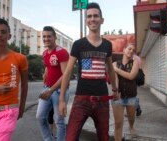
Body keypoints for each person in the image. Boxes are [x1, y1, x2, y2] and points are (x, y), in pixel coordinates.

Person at [59, 2, 118, 141]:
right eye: (89, 16)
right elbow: (67, 72)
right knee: (70, 138)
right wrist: (61, 100)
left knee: (104, 137)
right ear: (86, 21)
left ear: (102, 20)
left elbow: (110, 68)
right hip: (81, 100)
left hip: (102, 101)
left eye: (96, 16)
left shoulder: (107, 45)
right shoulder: (78, 44)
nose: (92, 19)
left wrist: (115, 90)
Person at [36, 26, 69, 141]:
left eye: (49, 36)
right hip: (47, 88)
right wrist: (45, 76)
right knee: (40, 116)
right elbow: (48, 67)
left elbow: (65, 75)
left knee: (59, 121)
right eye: (44, 36)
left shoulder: (62, 52)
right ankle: (48, 139)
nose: (46, 39)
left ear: (55, 37)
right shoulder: (45, 53)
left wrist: (51, 90)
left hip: (60, 91)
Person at [112, 44, 139, 140]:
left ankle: (131, 127)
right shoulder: (115, 64)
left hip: (131, 96)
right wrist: (115, 91)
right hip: (118, 96)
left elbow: (131, 76)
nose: (131, 51)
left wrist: (116, 69)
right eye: (129, 48)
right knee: (118, 123)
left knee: (131, 117)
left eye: (133, 50)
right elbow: (115, 79)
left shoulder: (135, 63)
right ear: (124, 50)